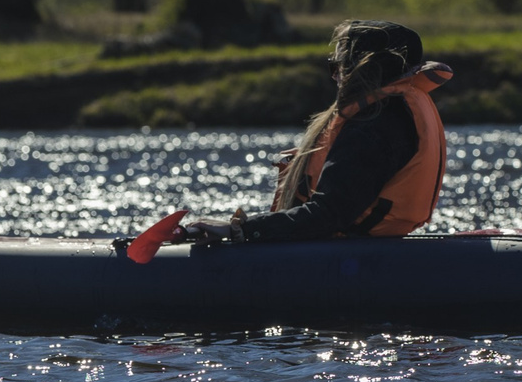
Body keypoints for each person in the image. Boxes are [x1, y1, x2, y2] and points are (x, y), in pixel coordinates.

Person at [179, 20, 453, 244]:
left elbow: (328, 215)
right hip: (367, 245)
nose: (336, 77)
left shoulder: (373, 127)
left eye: (338, 68)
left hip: (348, 254)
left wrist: (239, 229)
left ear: (363, 70)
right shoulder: (392, 113)